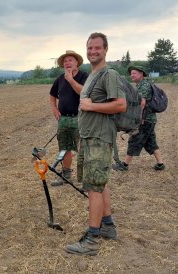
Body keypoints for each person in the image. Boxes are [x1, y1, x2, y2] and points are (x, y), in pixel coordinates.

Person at [65, 32, 126, 256]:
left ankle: (91, 240)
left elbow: (120, 105)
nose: (93, 52)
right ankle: (107, 226)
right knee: (100, 184)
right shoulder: (92, 75)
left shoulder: (109, 74)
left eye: (97, 48)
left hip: (99, 139)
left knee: (93, 188)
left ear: (106, 49)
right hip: (90, 137)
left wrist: (91, 107)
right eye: (90, 48)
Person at [112, 66, 165, 171]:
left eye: (134, 73)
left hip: (144, 120)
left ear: (141, 74)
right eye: (131, 73)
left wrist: (138, 118)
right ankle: (160, 164)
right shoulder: (141, 84)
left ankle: (124, 165)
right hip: (150, 119)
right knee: (151, 142)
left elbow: (142, 102)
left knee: (134, 140)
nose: (132, 75)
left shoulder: (143, 85)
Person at [49, 50, 88, 186]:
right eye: (65, 61)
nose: (67, 63)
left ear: (77, 62)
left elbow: (84, 92)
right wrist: (54, 108)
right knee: (64, 148)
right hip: (63, 120)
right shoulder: (59, 79)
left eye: (70, 60)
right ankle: (66, 177)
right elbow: (52, 95)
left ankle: (86, 180)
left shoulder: (84, 76)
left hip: (80, 118)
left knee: (83, 149)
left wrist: (71, 80)